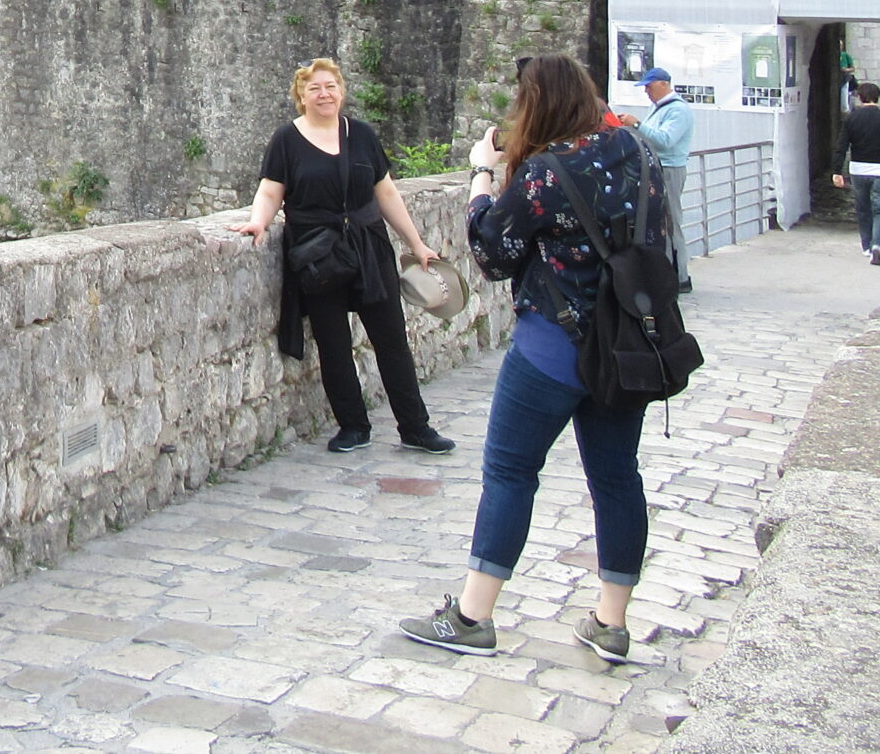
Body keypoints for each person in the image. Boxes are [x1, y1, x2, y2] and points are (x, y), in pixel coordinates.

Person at [401, 55, 667, 668]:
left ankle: (472, 616)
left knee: (511, 472)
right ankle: (611, 622)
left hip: (554, 346)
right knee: (617, 478)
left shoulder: (547, 174)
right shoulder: (641, 153)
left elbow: (493, 254)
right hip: (624, 344)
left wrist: (481, 179)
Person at [237, 58, 458, 456]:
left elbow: (386, 193)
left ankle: (415, 427)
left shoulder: (362, 136)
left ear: (341, 90)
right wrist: (259, 222)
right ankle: (353, 426)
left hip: (368, 246)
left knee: (391, 338)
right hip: (318, 251)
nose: (324, 94)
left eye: (330, 86)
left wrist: (416, 243)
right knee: (333, 342)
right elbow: (271, 190)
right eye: (314, 88)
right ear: (300, 96)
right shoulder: (286, 140)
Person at [633, 68, 697, 293]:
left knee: (671, 222)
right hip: (659, 168)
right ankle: (667, 272)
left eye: (649, 87)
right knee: (661, 222)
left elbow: (665, 140)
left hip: (670, 169)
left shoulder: (678, 110)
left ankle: (680, 276)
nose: (647, 92)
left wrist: (637, 125)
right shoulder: (659, 108)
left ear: (663, 84)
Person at [835, 82, 880, 264]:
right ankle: (877, 245)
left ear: (860, 98)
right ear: (878, 97)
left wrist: (837, 171)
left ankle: (866, 246)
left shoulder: (851, 119)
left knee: (863, 209)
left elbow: (841, 147)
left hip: (858, 170)